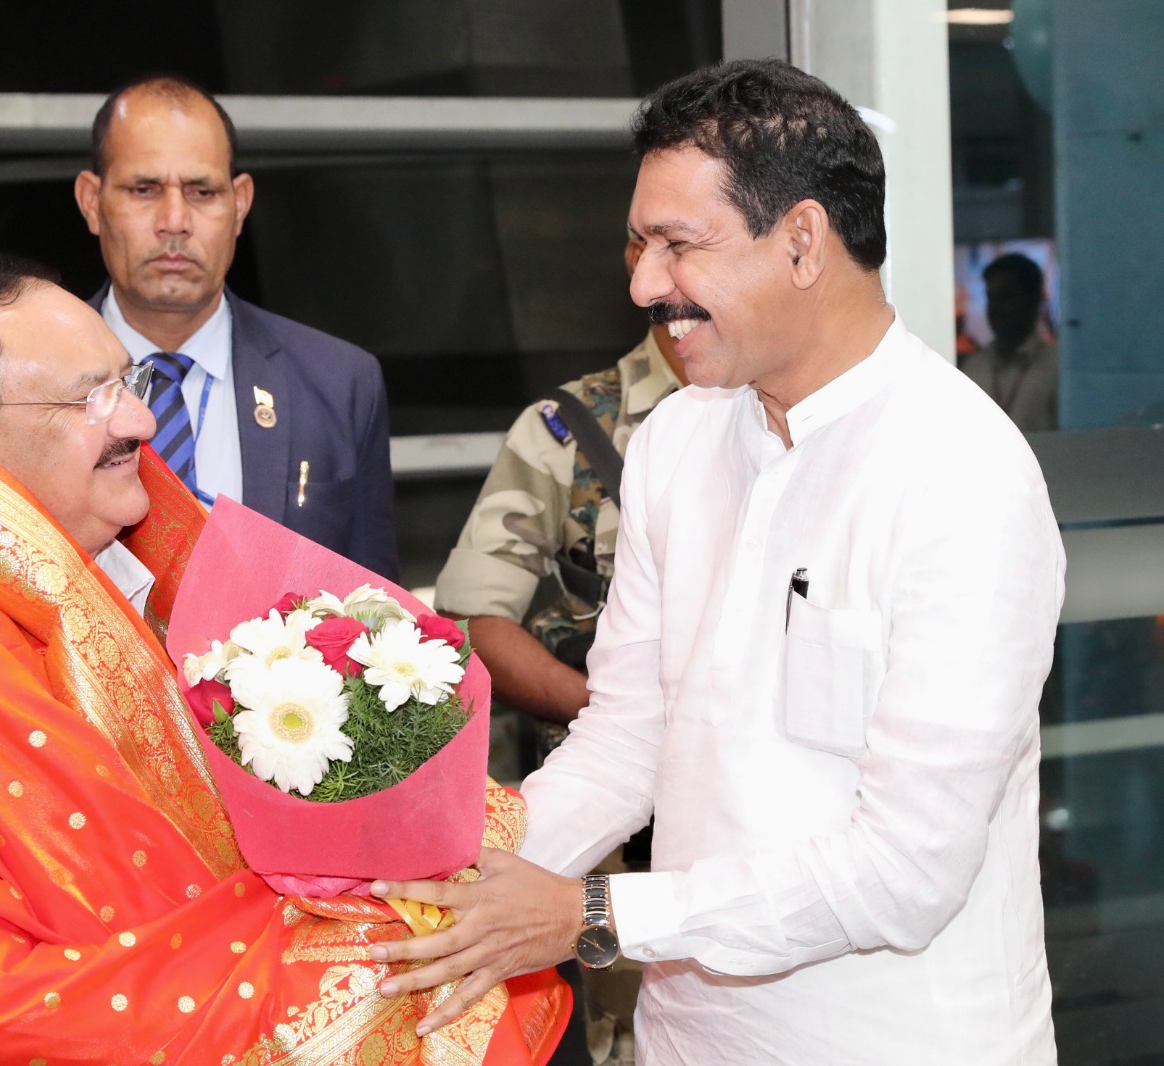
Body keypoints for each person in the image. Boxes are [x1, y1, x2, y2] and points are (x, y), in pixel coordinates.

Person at [370, 59, 1065, 1065]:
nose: (644, 283)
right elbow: (629, 734)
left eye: (678, 245)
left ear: (801, 241)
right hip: (692, 1035)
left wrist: (594, 915)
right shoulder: (679, 441)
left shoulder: (962, 475)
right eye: (639, 243)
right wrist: (458, 878)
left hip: (901, 1037)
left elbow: (908, 870)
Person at [0, 251, 568, 1064]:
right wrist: (321, 963)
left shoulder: (147, 567)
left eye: (129, 383)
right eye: (90, 398)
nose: (140, 424)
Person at [72, 74, 399, 579]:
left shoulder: (340, 382)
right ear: (92, 202)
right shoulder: (27, 388)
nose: (175, 220)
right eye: (144, 189)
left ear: (240, 203)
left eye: (202, 191)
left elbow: (377, 611)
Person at [435, 224, 687, 739]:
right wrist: (609, 718)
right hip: (616, 791)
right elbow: (470, 623)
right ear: (638, 260)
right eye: (676, 247)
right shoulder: (571, 427)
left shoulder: (786, 407)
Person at [960, 252, 1058, 432]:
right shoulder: (973, 368)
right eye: (991, 297)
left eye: (1006, 296)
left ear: (1033, 299)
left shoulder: (1056, 368)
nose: (995, 307)